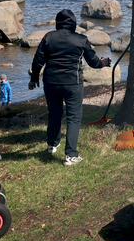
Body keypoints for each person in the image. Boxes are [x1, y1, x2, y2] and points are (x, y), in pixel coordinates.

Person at [29, 9, 111, 165]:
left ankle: (52, 144)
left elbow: (38, 60)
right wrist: (105, 63)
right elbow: (94, 62)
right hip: (73, 83)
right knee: (74, 118)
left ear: (58, 23)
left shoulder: (48, 37)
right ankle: (71, 155)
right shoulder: (80, 39)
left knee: (54, 113)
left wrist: (34, 79)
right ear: (73, 23)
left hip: (51, 82)